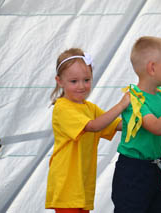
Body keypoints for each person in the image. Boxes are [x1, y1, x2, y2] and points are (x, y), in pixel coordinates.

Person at [111, 36, 161, 213]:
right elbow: (157, 127)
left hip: (154, 168)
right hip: (132, 172)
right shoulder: (133, 98)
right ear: (152, 68)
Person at [45, 48, 130, 213]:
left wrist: (142, 119)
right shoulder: (62, 107)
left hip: (82, 184)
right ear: (59, 81)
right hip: (67, 184)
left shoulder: (90, 108)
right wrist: (121, 105)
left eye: (86, 80)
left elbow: (116, 125)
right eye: (74, 81)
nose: (82, 86)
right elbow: (94, 126)